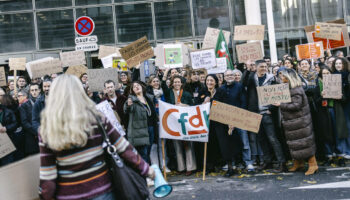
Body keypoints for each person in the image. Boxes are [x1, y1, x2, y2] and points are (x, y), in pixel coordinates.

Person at [38, 74, 155, 200]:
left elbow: (48, 173)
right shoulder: (97, 118)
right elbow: (123, 147)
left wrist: (45, 195)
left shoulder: (46, 129)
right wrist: (146, 169)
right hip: (102, 191)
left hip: (68, 194)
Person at [241, 60, 286, 172]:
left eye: (265, 66)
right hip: (255, 113)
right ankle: (268, 162)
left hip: (267, 113)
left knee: (272, 139)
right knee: (261, 139)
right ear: (256, 67)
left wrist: (271, 108)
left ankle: (282, 163)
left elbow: (277, 95)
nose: (264, 68)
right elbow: (243, 84)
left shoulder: (272, 79)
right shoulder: (251, 77)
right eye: (261, 66)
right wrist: (247, 69)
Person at [274, 69, 318, 175]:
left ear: (289, 77)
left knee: (304, 143)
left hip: (300, 122)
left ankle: (313, 165)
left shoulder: (295, 89)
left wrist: (281, 104)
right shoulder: (288, 88)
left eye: (283, 76)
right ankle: (298, 163)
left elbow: (296, 105)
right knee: (295, 144)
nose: (281, 78)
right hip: (292, 122)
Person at [162, 75, 197, 175]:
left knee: (188, 145)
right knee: (177, 145)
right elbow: (163, 85)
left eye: (179, 82)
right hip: (173, 122)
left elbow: (192, 106)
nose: (177, 84)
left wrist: (184, 105)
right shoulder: (169, 93)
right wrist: (165, 74)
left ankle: (190, 167)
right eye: (175, 82)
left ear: (182, 83)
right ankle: (181, 167)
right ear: (172, 84)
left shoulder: (186, 94)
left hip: (185, 122)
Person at [313, 64, 348, 166]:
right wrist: (322, 96)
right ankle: (329, 156)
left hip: (336, 111)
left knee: (338, 134)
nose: (326, 75)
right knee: (327, 135)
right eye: (324, 74)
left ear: (331, 73)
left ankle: (340, 156)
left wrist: (340, 97)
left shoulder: (338, 84)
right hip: (324, 112)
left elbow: (344, 99)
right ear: (320, 75)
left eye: (328, 73)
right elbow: (316, 102)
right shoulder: (317, 87)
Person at [222, 70, 255, 173]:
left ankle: (248, 162)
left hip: (240, 118)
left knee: (244, 142)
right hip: (227, 120)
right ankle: (232, 163)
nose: (229, 76)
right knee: (230, 143)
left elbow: (243, 102)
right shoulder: (221, 89)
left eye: (231, 75)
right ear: (224, 77)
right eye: (227, 75)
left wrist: (238, 116)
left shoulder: (239, 87)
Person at [124, 81, 158, 164]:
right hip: (139, 132)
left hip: (150, 128)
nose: (136, 87)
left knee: (148, 153)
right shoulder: (131, 100)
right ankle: (146, 174)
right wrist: (128, 105)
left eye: (138, 85)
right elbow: (127, 110)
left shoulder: (149, 98)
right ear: (132, 90)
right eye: (134, 86)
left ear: (142, 87)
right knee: (143, 154)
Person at [19, 84, 41, 156]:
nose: (34, 92)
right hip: (32, 137)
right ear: (30, 92)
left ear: (39, 90)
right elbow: (24, 122)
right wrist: (37, 132)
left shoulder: (44, 102)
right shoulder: (24, 106)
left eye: (36, 90)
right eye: (32, 90)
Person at [0, 88, 19, 166]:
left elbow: (15, 124)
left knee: (7, 165)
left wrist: (6, 128)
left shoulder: (8, 111)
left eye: (1, 95)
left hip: (7, 142)